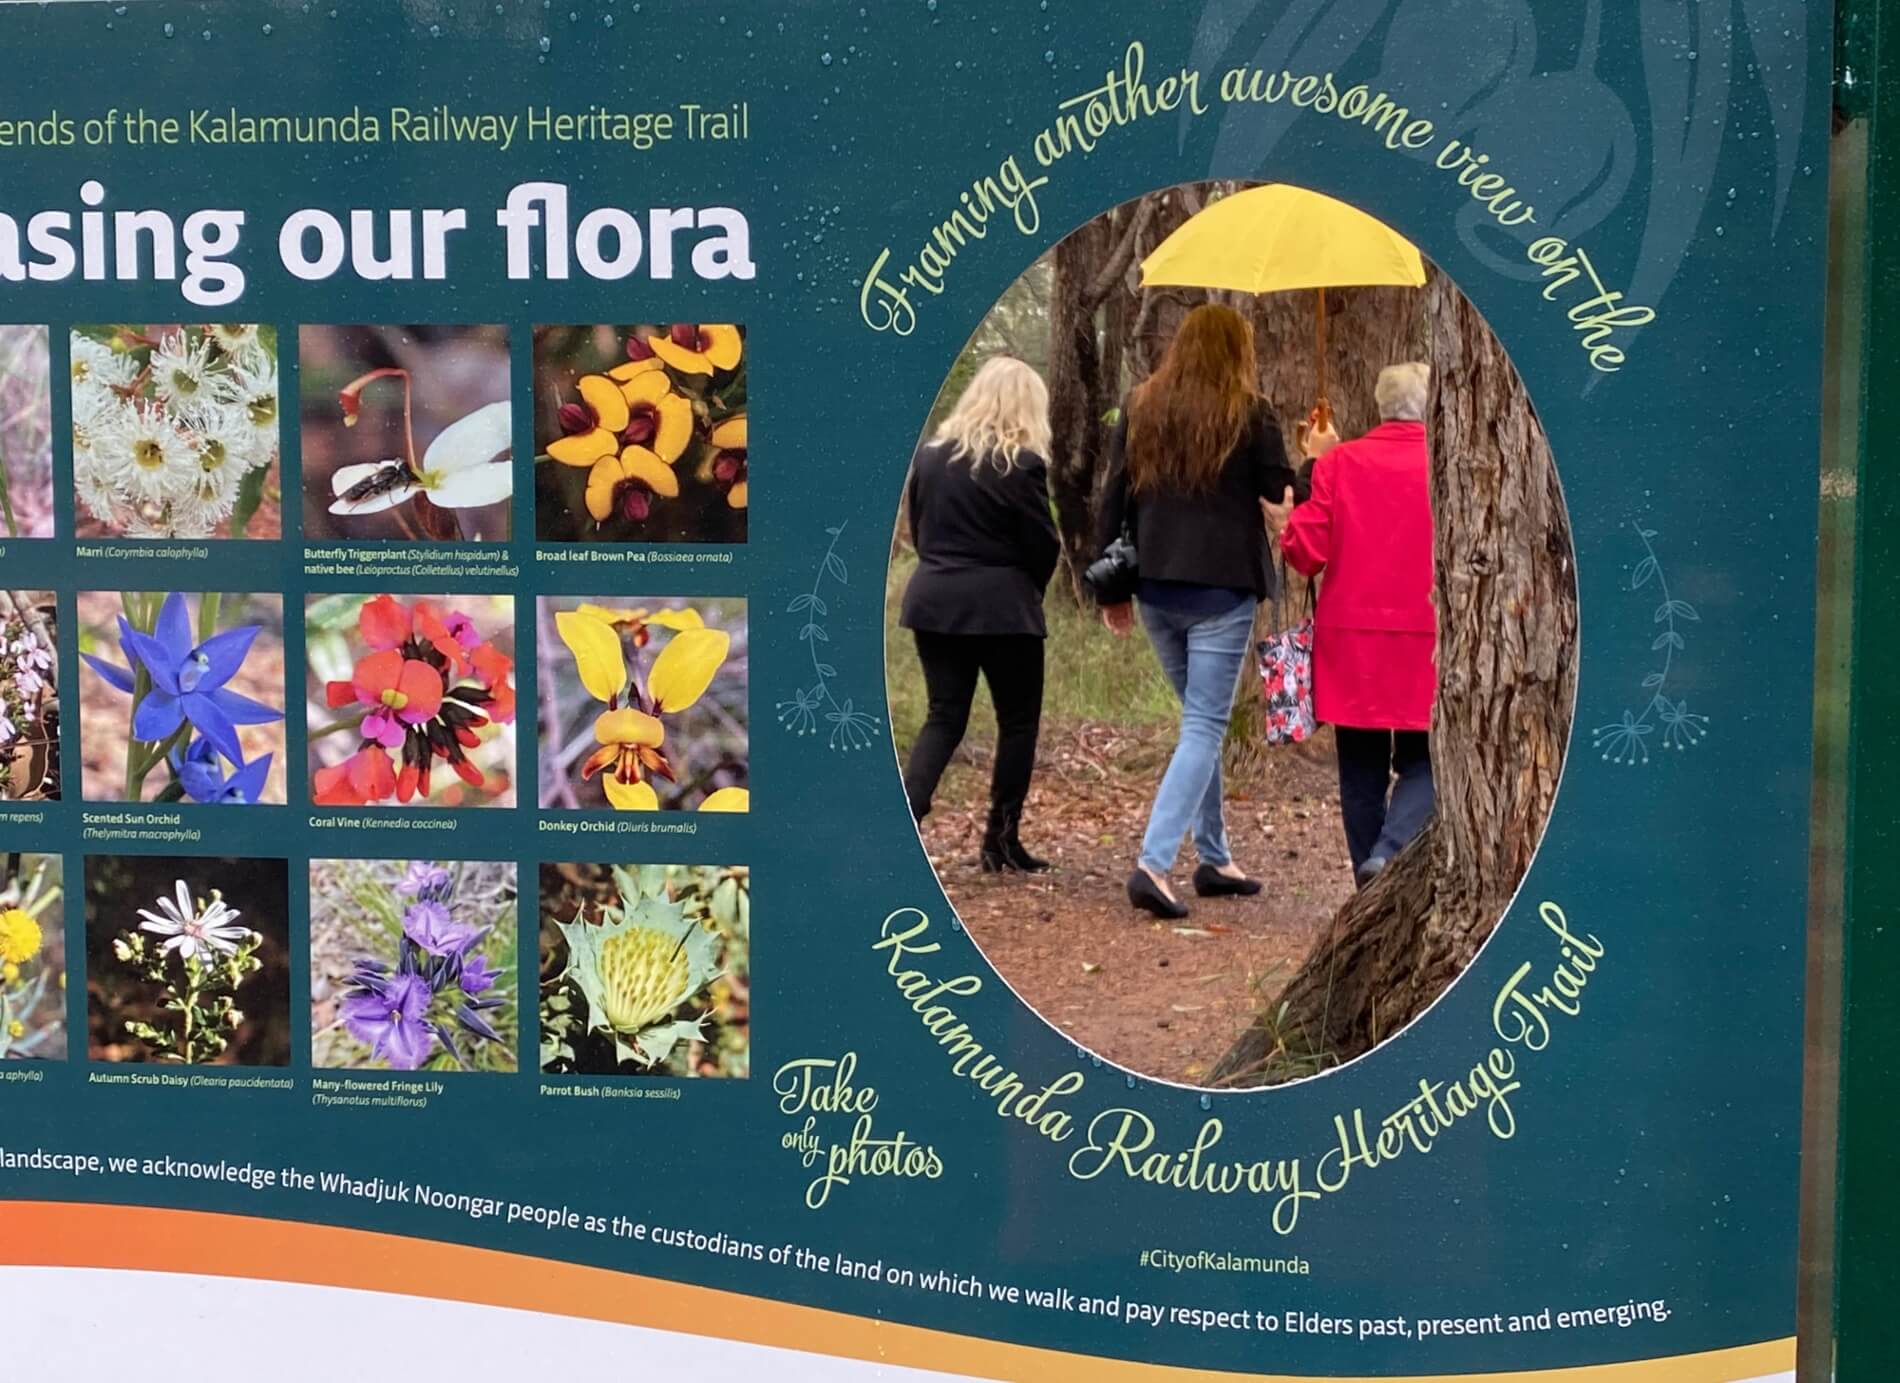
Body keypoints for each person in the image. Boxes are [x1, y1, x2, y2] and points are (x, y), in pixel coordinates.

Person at [1096, 304, 1301, 919]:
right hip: (1221, 591)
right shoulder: (1251, 411)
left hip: (1156, 587)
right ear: (1237, 351)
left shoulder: (1141, 405)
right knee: (1205, 726)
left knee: (1198, 722)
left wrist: (1110, 591)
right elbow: (1281, 493)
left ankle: (1214, 857)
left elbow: (1113, 497)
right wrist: (1318, 456)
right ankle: (1154, 864)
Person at [1265, 362, 1437, 888]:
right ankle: (1388, 853)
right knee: (1428, 762)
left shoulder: (1342, 463)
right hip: (1427, 640)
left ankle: (1371, 881)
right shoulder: (1450, 461)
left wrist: (1312, 469)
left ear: (1381, 406)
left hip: (1352, 646)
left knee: (1360, 772)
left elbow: (1304, 551)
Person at [900, 356, 1062, 872]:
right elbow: (1044, 544)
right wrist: (1024, 589)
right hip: (1003, 609)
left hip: (933, 600)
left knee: (944, 718)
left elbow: (920, 531)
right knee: (1018, 724)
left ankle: (900, 823)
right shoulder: (1022, 464)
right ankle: (1001, 842)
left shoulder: (927, 458)